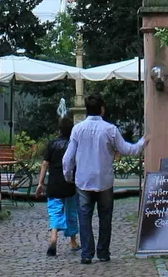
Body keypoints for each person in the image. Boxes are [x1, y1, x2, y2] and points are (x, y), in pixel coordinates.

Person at [62, 94, 145, 264]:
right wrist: (143, 142)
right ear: (101, 109)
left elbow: (67, 159)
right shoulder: (110, 129)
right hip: (104, 181)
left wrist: (69, 175)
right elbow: (128, 149)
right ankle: (103, 252)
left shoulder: (77, 129)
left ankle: (86, 253)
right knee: (105, 218)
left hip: (83, 180)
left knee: (84, 218)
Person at [35, 115, 80, 257]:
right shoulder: (74, 144)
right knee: (71, 212)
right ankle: (73, 242)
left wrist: (40, 183)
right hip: (70, 183)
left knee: (55, 211)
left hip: (54, 184)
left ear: (59, 130)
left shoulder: (52, 144)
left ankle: (54, 237)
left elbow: (45, 164)